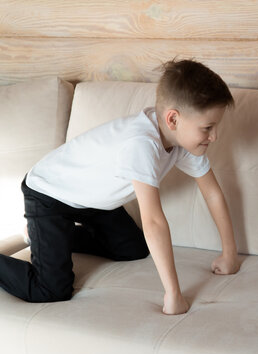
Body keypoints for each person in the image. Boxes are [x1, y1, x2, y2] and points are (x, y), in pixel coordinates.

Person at [0, 59, 240, 315]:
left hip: (93, 200)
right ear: (173, 119)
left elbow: (212, 193)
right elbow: (154, 222)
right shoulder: (142, 144)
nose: (214, 136)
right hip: (49, 193)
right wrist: (174, 294)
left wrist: (230, 254)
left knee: (133, 249)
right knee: (51, 289)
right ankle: (44, 233)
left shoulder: (182, 140)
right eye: (207, 128)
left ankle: (43, 236)